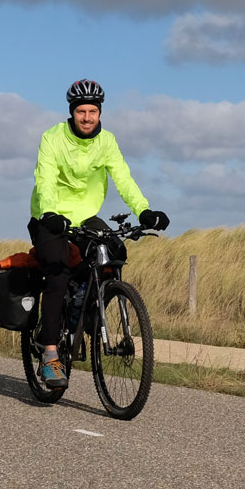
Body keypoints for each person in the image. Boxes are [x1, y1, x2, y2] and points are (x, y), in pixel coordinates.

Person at [28, 79, 170, 386]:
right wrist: (50, 213)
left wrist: (144, 210)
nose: (88, 117)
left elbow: (123, 177)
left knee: (115, 252)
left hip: (87, 217)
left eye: (93, 111)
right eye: (82, 111)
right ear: (72, 112)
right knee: (58, 271)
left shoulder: (107, 141)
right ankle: (50, 351)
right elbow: (46, 179)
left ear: (100, 112)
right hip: (49, 218)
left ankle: (88, 314)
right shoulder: (52, 138)